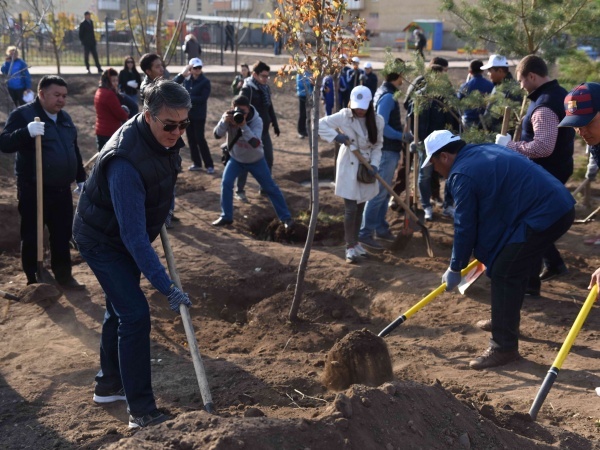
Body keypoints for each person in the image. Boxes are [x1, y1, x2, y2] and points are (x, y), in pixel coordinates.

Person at [72, 79, 193, 429]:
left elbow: (162, 172)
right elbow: (134, 238)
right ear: (147, 115)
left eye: (184, 123)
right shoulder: (124, 162)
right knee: (135, 313)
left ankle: (108, 385)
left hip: (123, 232)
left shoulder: (161, 135)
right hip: (101, 239)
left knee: (119, 307)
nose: (177, 132)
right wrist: (166, 287)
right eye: (169, 125)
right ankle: (141, 411)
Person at [422, 130, 575, 370]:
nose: (436, 171)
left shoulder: (461, 174)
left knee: (504, 271)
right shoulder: (484, 149)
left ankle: (503, 347)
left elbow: (465, 225)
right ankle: (503, 321)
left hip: (545, 213)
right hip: (557, 205)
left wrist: (455, 266)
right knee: (510, 263)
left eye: (433, 164)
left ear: (444, 156)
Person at [495, 55, 575, 288]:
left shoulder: (544, 105)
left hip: (545, 173)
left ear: (532, 76)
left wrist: (508, 146)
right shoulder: (560, 94)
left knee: (529, 224)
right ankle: (553, 264)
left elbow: (542, 146)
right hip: (557, 168)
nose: (520, 86)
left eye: (521, 81)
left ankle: (530, 284)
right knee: (534, 222)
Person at [0, 75, 86, 288]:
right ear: (41, 94)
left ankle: (64, 275)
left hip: (61, 189)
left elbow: (72, 148)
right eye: (56, 95)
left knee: (62, 232)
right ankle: (34, 277)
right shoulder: (23, 115)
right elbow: (4, 143)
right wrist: (25, 132)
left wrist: (80, 177)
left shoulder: (64, 118)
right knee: (32, 233)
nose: (61, 100)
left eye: (64, 96)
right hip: (34, 187)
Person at [319, 85, 384, 264]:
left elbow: (378, 145)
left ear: (370, 104)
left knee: (362, 205)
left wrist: (375, 164)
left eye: (364, 106)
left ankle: (356, 243)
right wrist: (336, 137)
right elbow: (320, 124)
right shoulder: (344, 116)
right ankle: (349, 246)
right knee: (351, 208)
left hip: (366, 166)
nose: (360, 110)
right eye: (357, 106)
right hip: (349, 164)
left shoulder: (377, 121)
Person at [212, 95, 293, 229]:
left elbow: (255, 143)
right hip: (236, 159)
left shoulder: (257, 121)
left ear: (248, 109)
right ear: (233, 108)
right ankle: (226, 216)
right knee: (226, 183)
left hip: (256, 160)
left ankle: (286, 218)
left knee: (270, 188)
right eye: (238, 110)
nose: (241, 114)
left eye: (244, 111)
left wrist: (243, 126)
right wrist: (224, 122)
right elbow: (216, 135)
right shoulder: (228, 117)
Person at [359, 58, 411, 250]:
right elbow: (382, 126)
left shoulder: (384, 92)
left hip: (388, 150)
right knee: (379, 193)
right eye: (403, 75)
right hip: (387, 150)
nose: (404, 80)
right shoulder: (387, 96)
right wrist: (403, 136)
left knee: (384, 190)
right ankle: (365, 233)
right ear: (399, 75)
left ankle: (380, 227)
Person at [406, 58, 459, 221]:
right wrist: (413, 138)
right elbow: (411, 118)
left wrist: (456, 137)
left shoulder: (448, 95)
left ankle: (448, 205)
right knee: (425, 175)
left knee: (450, 174)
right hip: (425, 142)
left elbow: (456, 118)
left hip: (445, 142)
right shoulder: (420, 96)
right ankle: (426, 206)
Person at [237, 61, 280, 201]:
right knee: (245, 161)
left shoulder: (265, 88)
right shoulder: (247, 89)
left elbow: (269, 106)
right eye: (263, 76)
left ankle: (265, 188)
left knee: (268, 159)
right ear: (255, 74)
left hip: (265, 131)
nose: (266, 79)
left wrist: (275, 123)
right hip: (250, 133)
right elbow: (240, 109)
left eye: (268, 76)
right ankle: (240, 190)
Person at [173, 58, 214, 173]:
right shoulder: (187, 80)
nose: (197, 70)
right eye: (195, 68)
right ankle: (197, 163)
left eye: (199, 67)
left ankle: (209, 164)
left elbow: (203, 98)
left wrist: (187, 98)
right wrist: (183, 72)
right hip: (188, 115)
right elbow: (173, 84)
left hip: (199, 115)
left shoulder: (205, 82)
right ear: (190, 68)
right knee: (191, 139)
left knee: (200, 139)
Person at [480, 54, 523, 132]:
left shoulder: (510, 90)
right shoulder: (498, 87)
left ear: (500, 71)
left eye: (490, 71)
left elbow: (493, 117)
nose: (488, 74)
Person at [95, 68, 130, 152]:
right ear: (107, 81)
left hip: (100, 130)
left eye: (117, 80)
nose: (116, 83)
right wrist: (126, 113)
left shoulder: (99, 91)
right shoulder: (109, 94)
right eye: (113, 81)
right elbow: (120, 114)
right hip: (110, 132)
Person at [457, 59, 494, 129]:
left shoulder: (465, 86)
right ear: (483, 70)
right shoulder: (490, 85)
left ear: (470, 71)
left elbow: (457, 102)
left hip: (468, 120)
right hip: (485, 122)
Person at [296, 67, 314, 139]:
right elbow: (300, 84)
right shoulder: (300, 73)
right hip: (303, 95)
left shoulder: (311, 72)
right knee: (303, 113)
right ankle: (301, 131)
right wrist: (310, 82)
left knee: (310, 113)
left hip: (310, 95)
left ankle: (308, 129)